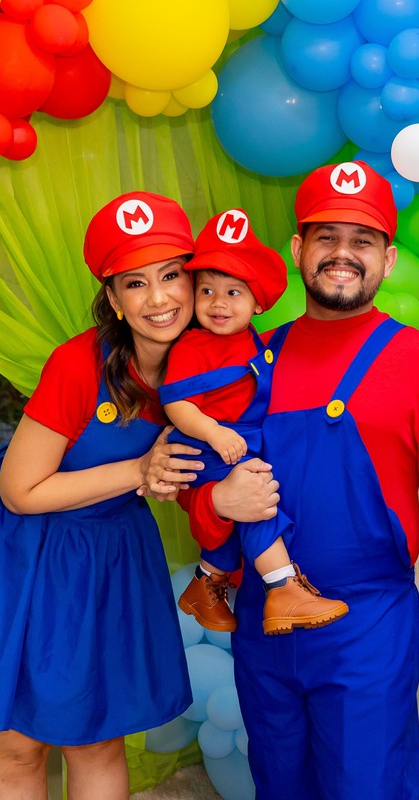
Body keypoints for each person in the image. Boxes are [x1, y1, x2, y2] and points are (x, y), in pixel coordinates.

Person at [170, 161, 419, 799]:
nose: (342, 253)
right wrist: (214, 499)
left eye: (362, 240)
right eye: (326, 237)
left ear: (388, 259)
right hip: (265, 624)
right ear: (298, 250)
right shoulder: (250, 359)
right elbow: (197, 481)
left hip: (366, 628)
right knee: (278, 785)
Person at [0, 191, 202, 800]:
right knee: (18, 741)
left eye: (171, 275)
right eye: (135, 283)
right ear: (113, 299)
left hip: (108, 548)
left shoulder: (210, 365)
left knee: (96, 738)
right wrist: (141, 469)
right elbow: (20, 491)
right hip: (23, 548)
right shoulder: (77, 364)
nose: (158, 298)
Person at [162, 208, 348, 635]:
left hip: (238, 442)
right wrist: (214, 432)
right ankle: (282, 588)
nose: (218, 303)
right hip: (207, 446)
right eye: (206, 291)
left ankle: (206, 583)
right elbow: (177, 405)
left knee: (240, 514)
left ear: (257, 302)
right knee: (257, 503)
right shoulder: (192, 345)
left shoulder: (253, 341)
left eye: (233, 292)